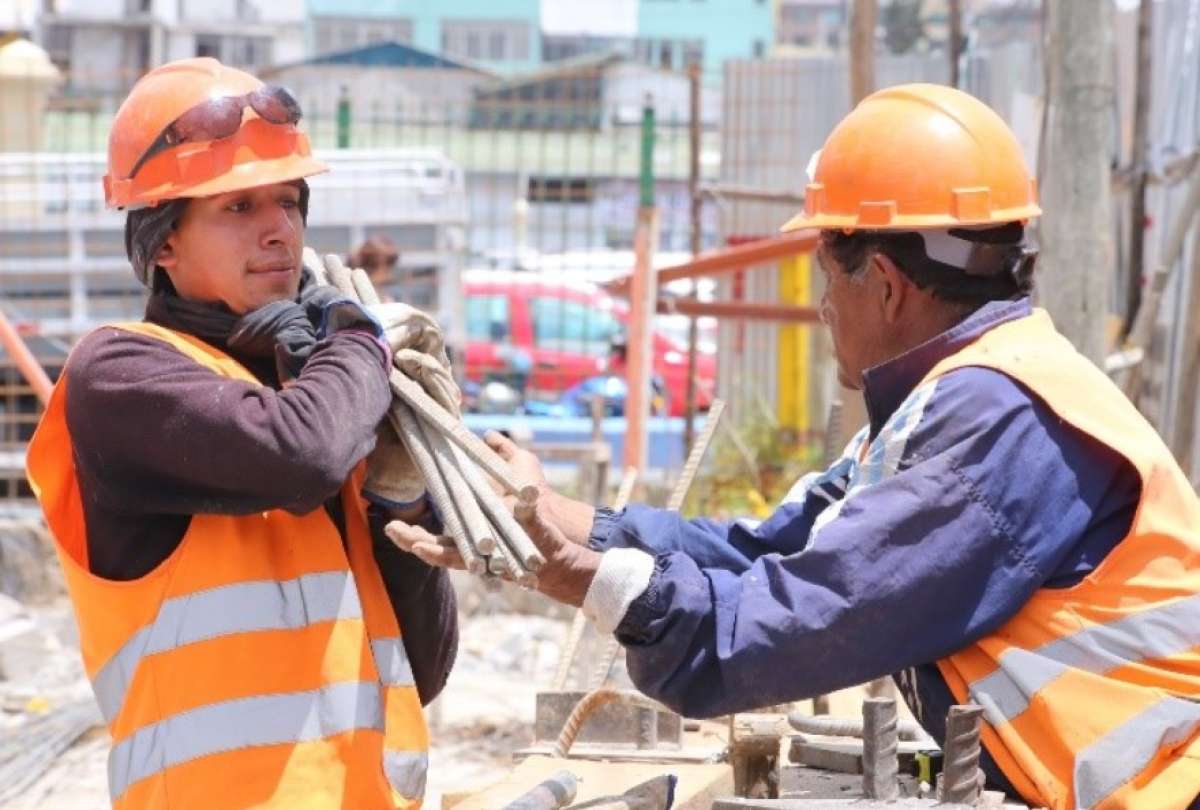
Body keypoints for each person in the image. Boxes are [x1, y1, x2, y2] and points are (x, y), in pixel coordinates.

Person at [392, 84, 1200, 810]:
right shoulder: (974, 392)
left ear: (883, 282)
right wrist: (562, 519)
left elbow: (795, 621)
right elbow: (769, 550)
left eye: (829, 277)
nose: (821, 309)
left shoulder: (996, 419)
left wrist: (600, 584)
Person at [26, 58, 456, 809]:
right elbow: (300, 455)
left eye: (288, 201)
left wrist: (403, 497)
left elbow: (422, 667)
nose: (278, 229)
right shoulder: (121, 375)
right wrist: (362, 340)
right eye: (238, 206)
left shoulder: (317, 392)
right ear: (162, 243)